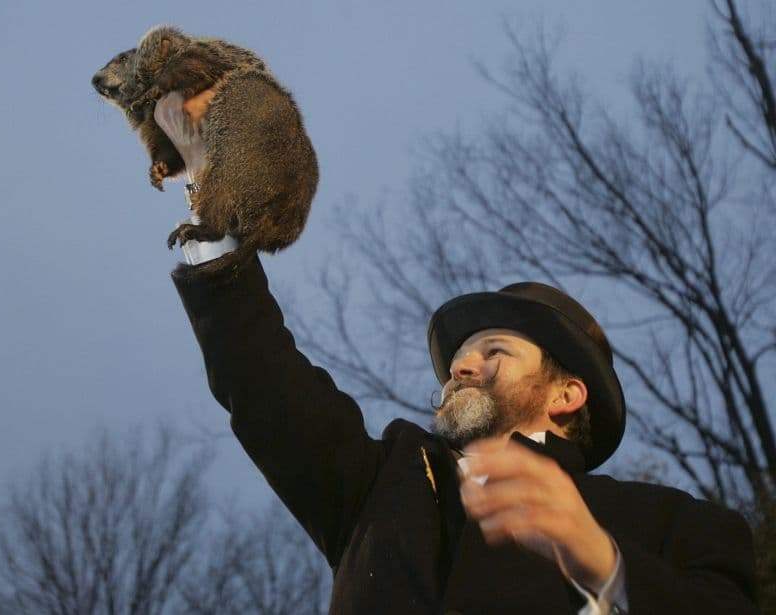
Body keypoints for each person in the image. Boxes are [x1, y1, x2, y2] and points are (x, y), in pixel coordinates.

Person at [156, 92, 759, 614]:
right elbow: (263, 381)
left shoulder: (673, 525)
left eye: (493, 350)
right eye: (457, 360)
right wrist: (212, 195)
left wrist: (600, 560)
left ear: (566, 394)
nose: (461, 368)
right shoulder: (380, 483)